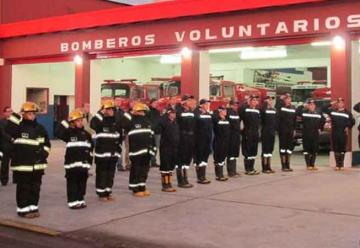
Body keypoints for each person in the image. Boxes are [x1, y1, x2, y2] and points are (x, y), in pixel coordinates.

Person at [6, 102, 50, 218]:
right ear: (24, 114)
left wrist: (44, 153)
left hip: (38, 165)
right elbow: (8, 128)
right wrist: (17, 115)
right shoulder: (18, 127)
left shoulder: (40, 128)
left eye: (33, 113)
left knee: (35, 187)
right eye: (29, 113)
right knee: (23, 188)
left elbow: (47, 143)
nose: (32, 115)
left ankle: (33, 207)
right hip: (22, 164)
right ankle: (23, 210)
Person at [55, 109, 94, 209]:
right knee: (72, 184)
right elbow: (58, 132)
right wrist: (67, 120)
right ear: (72, 123)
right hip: (71, 165)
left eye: (81, 120)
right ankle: (72, 202)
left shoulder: (87, 134)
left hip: (83, 165)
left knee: (82, 184)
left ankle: (80, 200)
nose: (80, 123)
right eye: (78, 121)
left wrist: (89, 163)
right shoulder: (68, 133)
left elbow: (90, 150)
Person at [90, 100, 122, 201]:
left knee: (110, 174)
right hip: (102, 155)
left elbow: (119, 137)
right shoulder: (100, 121)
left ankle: (108, 192)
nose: (110, 111)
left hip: (113, 154)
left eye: (111, 109)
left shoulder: (115, 122)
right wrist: (101, 112)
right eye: (108, 109)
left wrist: (118, 150)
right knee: (102, 174)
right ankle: (101, 193)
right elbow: (92, 124)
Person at [122, 102, 156, 197]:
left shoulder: (147, 121)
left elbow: (151, 135)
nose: (142, 113)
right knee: (136, 169)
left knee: (144, 170)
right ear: (135, 112)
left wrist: (153, 148)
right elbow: (122, 123)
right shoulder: (131, 121)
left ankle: (142, 187)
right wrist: (130, 113)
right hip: (136, 151)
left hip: (146, 151)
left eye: (143, 111)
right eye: (140, 111)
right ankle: (135, 188)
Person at [297, 100, 325, 170]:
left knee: (314, 149)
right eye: (310, 105)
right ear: (308, 106)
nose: (311, 106)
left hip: (315, 134)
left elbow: (323, 120)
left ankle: (312, 164)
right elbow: (297, 112)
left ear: (315, 106)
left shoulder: (318, 113)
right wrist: (302, 106)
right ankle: (308, 164)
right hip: (306, 133)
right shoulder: (304, 112)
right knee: (307, 149)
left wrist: (320, 128)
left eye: (313, 105)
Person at [328, 98, 355, 170]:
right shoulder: (333, 112)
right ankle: (337, 165)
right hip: (335, 133)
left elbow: (352, 121)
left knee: (342, 149)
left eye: (342, 103)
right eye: (339, 103)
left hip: (343, 133)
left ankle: (341, 165)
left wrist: (347, 126)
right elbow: (324, 109)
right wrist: (332, 103)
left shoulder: (347, 112)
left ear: (344, 104)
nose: (340, 104)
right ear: (337, 104)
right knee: (336, 148)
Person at [176, 95, 196, 188]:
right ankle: (180, 180)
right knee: (181, 159)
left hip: (190, 137)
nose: (191, 102)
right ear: (184, 102)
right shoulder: (179, 111)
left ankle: (185, 178)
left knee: (187, 158)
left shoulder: (191, 111)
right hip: (182, 137)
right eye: (189, 100)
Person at [159, 108, 179, 192]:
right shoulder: (164, 123)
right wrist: (164, 114)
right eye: (172, 113)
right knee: (165, 166)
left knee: (171, 166)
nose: (173, 115)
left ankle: (169, 183)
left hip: (174, 148)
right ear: (168, 114)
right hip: (165, 147)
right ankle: (165, 185)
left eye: (174, 113)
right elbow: (160, 122)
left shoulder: (176, 123)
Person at [240, 95, 261, 175]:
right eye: (254, 100)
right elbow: (240, 117)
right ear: (250, 101)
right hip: (247, 132)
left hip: (255, 133)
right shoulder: (245, 109)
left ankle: (252, 167)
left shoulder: (257, 110)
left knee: (253, 150)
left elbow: (259, 121)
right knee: (247, 150)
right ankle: (247, 169)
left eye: (256, 100)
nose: (255, 102)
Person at [194, 99, 212, 184]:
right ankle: (200, 177)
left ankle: (203, 176)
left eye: (208, 104)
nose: (207, 105)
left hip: (207, 139)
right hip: (199, 139)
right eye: (206, 104)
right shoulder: (197, 113)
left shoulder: (207, 113)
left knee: (205, 157)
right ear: (201, 105)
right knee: (199, 157)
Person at [277, 94, 296, 172]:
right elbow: (277, 106)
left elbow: (294, 120)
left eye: (289, 98)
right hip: (283, 131)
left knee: (289, 148)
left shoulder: (293, 108)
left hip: (290, 130)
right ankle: (283, 165)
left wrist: (294, 129)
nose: (288, 100)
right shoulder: (281, 107)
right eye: (287, 99)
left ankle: (288, 165)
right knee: (283, 148)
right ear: (284, 100)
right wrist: (280, 99)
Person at [212, 106, 230, 181]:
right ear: (220, 111)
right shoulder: (216, 120)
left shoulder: (227, 120)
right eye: (223, 110)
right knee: (218, 157)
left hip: (225, 141)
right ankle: (218, 175)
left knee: (223, 157)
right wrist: (217, 113)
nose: (225, 111)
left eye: (225, 110)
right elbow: (213, 116)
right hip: (218, 141)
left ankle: (221, 173)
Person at [260, 96, 276, 173]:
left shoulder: (273, 110)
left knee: (270, 149)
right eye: (269, 100)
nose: (271, 101)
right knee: (265, 150)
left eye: (272, 100)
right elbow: (262, 115)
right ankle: (264, 167)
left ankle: (269, 166)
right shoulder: (263, 109)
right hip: (265, 132)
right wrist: (265, 103)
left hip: (272, 132)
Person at [226, 99, 241, 177]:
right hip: (231, 136)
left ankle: (234, 170)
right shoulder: (228, 112)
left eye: (237, 105)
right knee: (231, 154)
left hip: (236, 136)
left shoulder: (236, 113)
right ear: (231, 105)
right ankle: (230, 172)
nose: (236, 106)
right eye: (234, 105)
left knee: (235, 153)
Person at [0, 106, 13, 185]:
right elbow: (3, 133)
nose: (10, 113)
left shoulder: (15, 122)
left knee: (16, 162)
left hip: (14, 145)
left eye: (11, 111)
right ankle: (4, 180)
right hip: (5, 145)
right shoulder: (1, 122)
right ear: (4, 113)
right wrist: (11, 138)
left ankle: (16, 178)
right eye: (8, 111)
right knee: (5, 163)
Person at [147, 98, 161, 168]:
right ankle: (148, 162)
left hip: (157, 132)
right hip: (150, 132)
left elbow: (159, 121)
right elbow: (147, 121)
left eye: (156, 103)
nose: (155, 104)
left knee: (156, 148)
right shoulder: (148, 111)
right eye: (154, 103)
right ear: (151, 103)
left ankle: (154, 161)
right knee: (150, 147)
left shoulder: (157, 112)